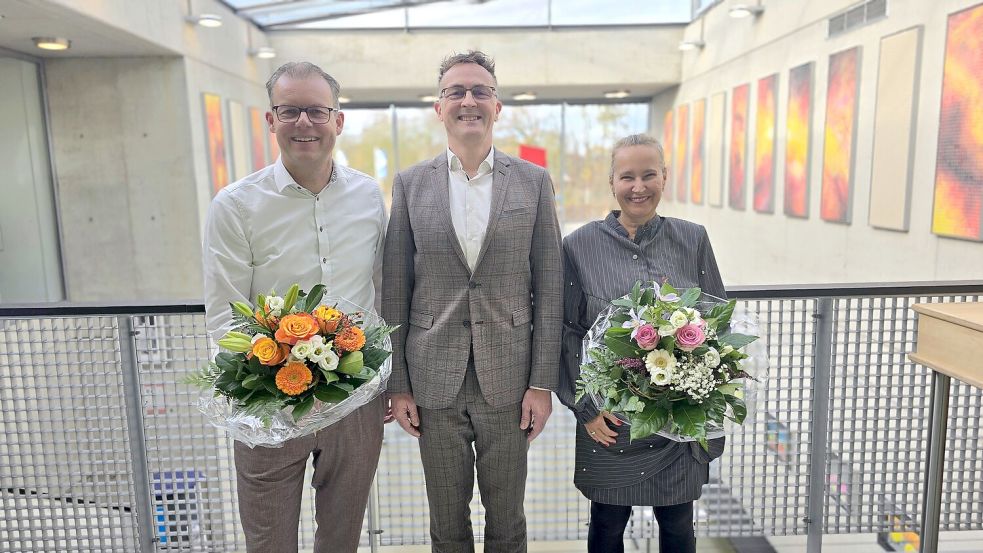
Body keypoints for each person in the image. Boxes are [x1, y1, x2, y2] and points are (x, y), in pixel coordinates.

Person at [382, 50, 563, 553]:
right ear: (439, 109)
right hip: (431, 381)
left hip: (509, 382)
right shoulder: (410, 184)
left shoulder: (533, 182)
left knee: (507, 521)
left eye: (480, 91)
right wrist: (397, 384)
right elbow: (394, 289)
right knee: (446, 522)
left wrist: (542, 383)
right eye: (456, 92)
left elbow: (550, 287)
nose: (468, 101)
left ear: (497, 106)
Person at [202, 61, 387, 553]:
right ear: (271, 120)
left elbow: (382, 292)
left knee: (342, 537)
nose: (304, 122)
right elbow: (225, 311)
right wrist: (262, 387)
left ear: (338, 120)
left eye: (316, 111)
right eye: (290, 111)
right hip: (268, 401)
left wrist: (387, 377)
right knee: (268, 540)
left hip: (355, 400)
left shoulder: (369, 196)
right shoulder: (236, 205)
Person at [557, 134, 727, 553]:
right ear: (611, 183)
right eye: (627, 176)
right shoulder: (578, 246)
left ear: (664, 178)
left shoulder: (694, 239)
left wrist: (703, 404)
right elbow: (567, 332)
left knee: (678, 525)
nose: (639, 187)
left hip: (679, 420)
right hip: (611, 422)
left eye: (649, 175)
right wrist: (587, 411)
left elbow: (715, 321)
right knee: (607, 525)